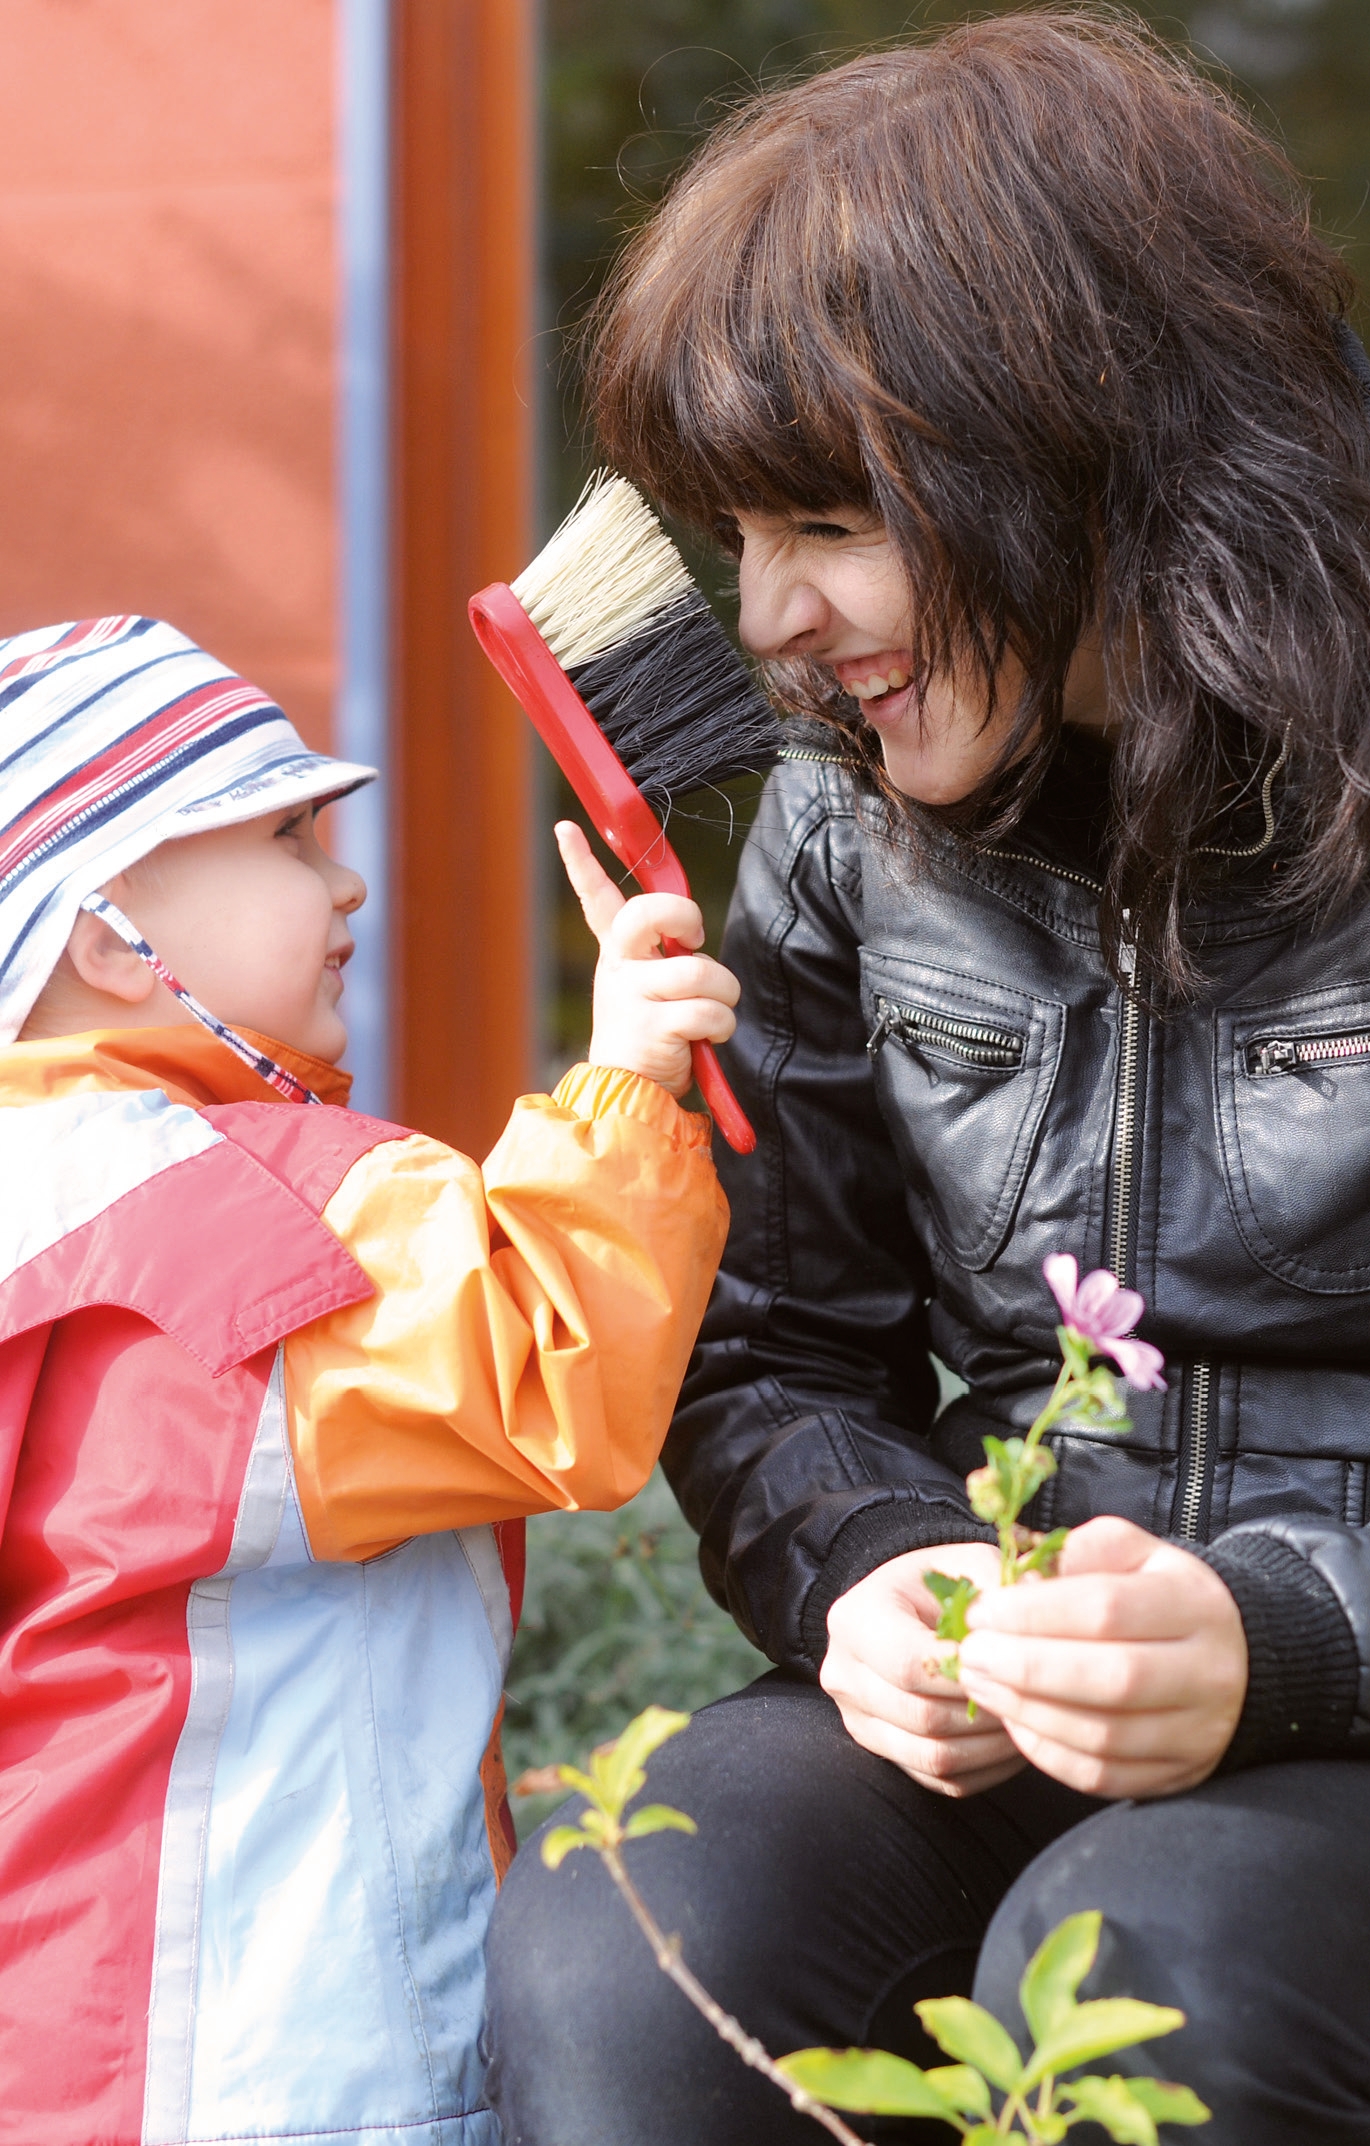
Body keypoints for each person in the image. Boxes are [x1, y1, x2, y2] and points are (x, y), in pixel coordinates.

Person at [485, 14, 1370, 2144]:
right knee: (630, 1934)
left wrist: (1294, 1640)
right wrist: (873, 1561)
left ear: (1080, 444)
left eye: (826, 518)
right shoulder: (859, 815)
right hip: (1022, 1671)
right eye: (729, 530)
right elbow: (767, 1337)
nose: (770, 618)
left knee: (1160, 1967)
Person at [0, 614, 739, 2146]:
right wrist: (620, 1082)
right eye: (283, 835)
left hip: (63, 2047)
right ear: (105, 933)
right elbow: (549, 1366)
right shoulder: (257, 1217)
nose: (345, 880)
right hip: (301, 2055)